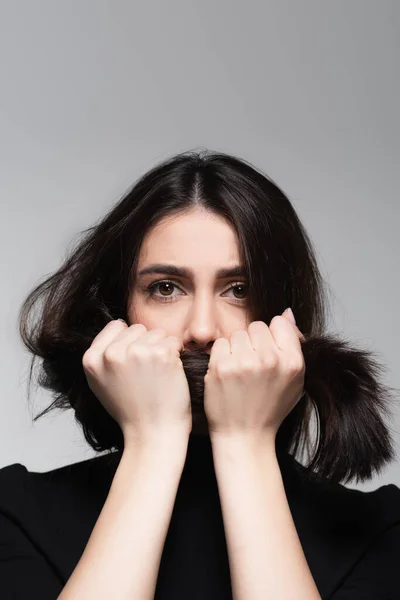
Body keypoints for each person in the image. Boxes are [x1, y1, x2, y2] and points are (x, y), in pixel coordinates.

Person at [0, 149, 399, 599]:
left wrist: (244, 443)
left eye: (239, 289)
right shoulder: (16, 515)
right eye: (166, 289)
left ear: (287, 317)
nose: (203, 330)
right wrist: (153, 441)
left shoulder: (378, 533)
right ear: (117, 313)